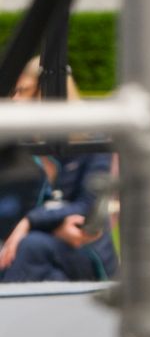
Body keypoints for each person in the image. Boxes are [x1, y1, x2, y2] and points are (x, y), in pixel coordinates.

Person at [0, 58, 117, 285]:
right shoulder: (16, 146)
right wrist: (51, 227)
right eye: (13, 93)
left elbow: (88, 206)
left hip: (83, 249)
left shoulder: (91, 143)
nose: (15, 101)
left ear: (49, 95)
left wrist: (30, 222)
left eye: (22, 91)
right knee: (48, 275)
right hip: (32, 252)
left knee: (31, 247)